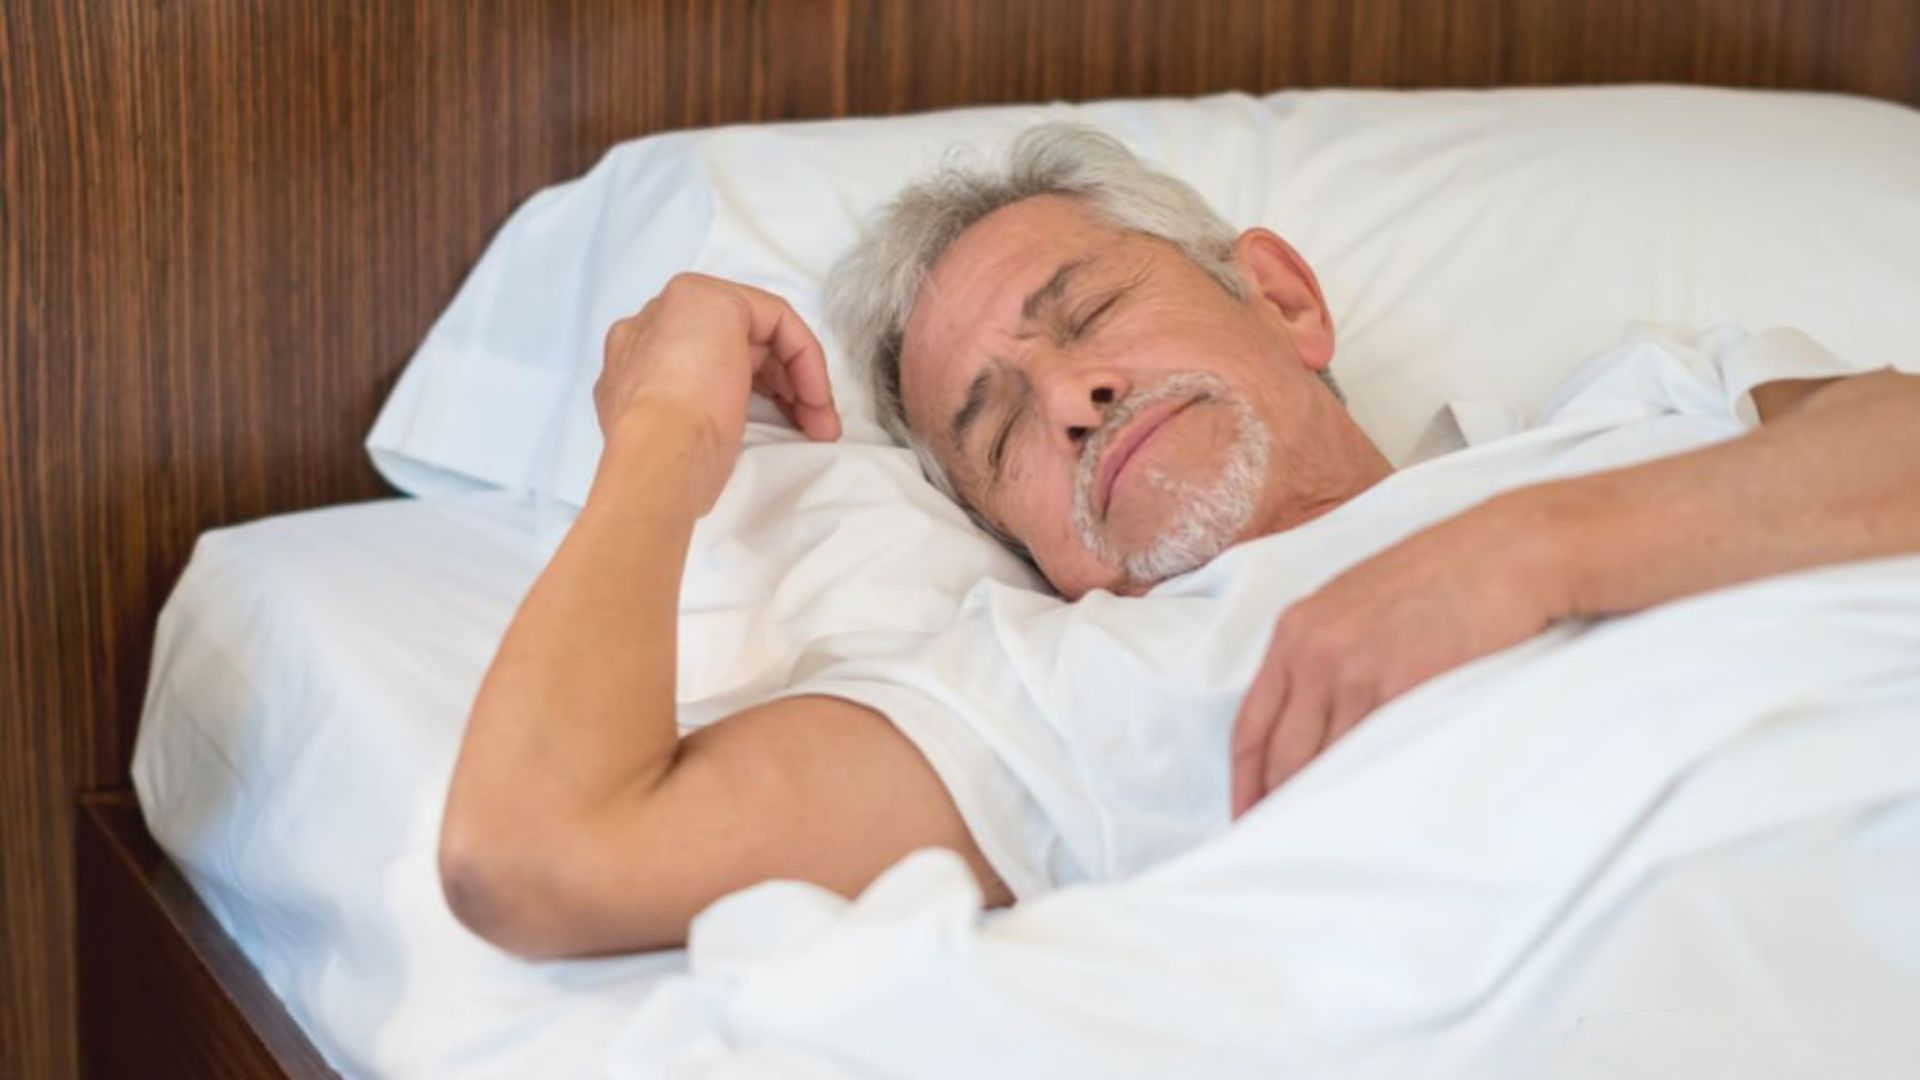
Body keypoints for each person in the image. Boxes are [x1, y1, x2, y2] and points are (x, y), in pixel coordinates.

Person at [438, 124, 1920, 959]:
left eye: (1088, 313)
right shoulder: (1066, 690)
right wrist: (665, 433)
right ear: (1030, 546)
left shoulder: (1656, 402)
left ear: (1282, 300)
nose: (1069, 398)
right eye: (998, 429)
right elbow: (540, 853)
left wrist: (1518, 555)